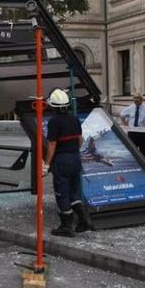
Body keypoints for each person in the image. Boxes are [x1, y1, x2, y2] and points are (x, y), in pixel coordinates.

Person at [44, 88, 92, 237]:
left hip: (62, 160)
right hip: (75, 158)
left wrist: (46, 164)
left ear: (53, 106)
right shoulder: (74, 118)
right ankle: (84, 221)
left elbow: (52, 145)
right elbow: (80, 140)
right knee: (74, 192)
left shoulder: (53, 121)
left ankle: (66, 226)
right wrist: (73, 151)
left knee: (62, 193)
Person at [119, 93, 145, 158]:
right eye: (135, 98)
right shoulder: (130, 108)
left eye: (138, 98)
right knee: (132, 151)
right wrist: (125, 124)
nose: (136, 100)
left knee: (143, 152)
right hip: (132, 132)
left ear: (142, 99)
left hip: (143, 132)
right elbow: (122, 115)